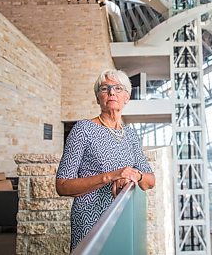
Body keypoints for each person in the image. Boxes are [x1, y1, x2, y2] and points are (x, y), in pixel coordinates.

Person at [55, 69, 155, 251]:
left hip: (122, 220)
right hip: (89, 222)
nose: (111, 93)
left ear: (127, 97)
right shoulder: (83, 129)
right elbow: (62, 185)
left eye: (118, 88)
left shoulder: (131, 134)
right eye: (104, 89)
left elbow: (149, 181)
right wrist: (111, 176)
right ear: (97, 98)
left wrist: (133, 176)